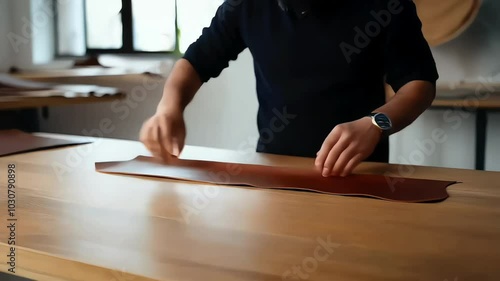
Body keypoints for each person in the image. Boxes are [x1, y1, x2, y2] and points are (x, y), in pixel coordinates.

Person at [140, 0, 438, 177]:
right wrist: (169, 108)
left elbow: (418, 85)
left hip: (359, 173)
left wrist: (376, 123)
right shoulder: (247, 5)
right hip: (273, 169)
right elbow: (195, 62)